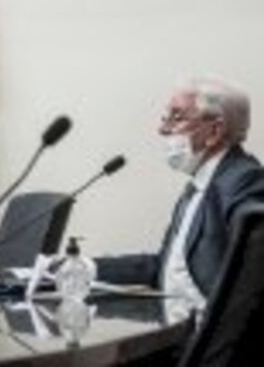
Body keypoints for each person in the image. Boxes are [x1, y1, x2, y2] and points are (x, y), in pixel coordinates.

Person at [94, 78, 264, 315]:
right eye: (166, 118)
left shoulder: (242, 180)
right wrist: (84, 268)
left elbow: (248, 284)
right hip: (175, 330)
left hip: (203, 343)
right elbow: (163, 267)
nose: (162, 129)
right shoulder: (198, 187)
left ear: (214, 131)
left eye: (177, 118)